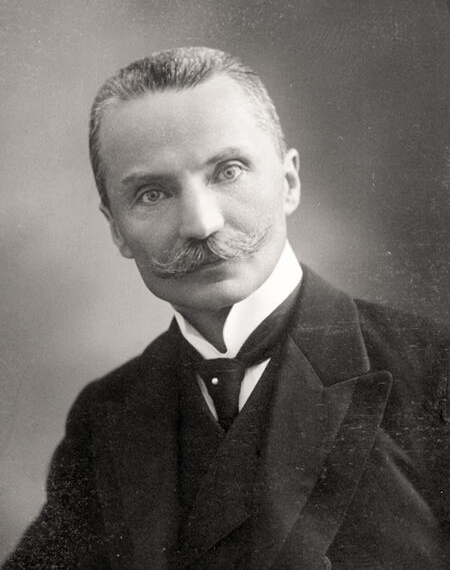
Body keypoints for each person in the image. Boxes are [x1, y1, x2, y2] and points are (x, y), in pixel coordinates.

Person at [3, 47, 449, 570]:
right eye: (152, 194)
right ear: (116, 228)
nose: (200, 223)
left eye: (228, 171)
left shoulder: (434, 372)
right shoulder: (105, 416)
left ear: (289, 181)